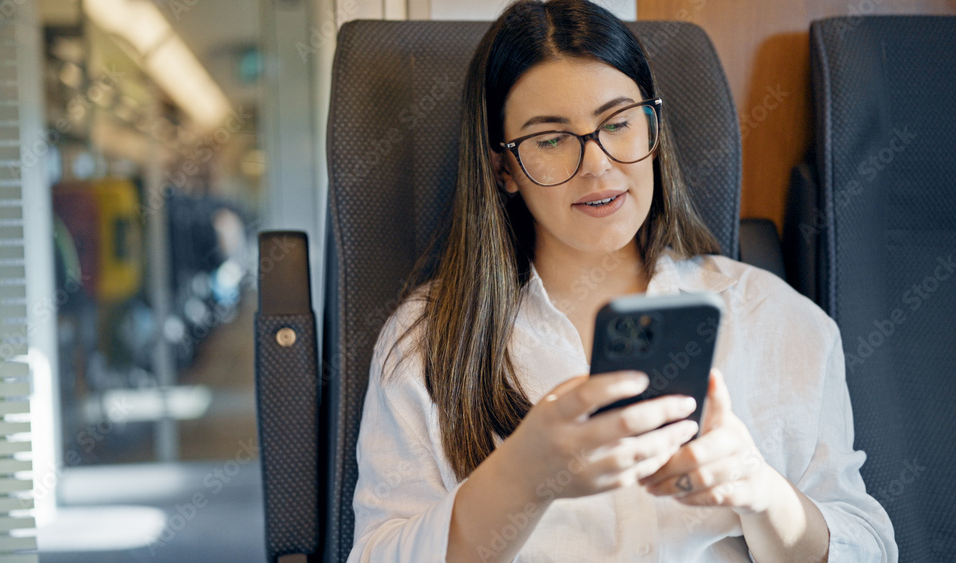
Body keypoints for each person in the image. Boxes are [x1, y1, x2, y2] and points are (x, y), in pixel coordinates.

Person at [347, 0, 897, 560]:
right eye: (551, 138)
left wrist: (762, 493)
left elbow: (868, 546)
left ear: (651, 125)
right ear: (503, 169)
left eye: (617, 123)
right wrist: (521, 477)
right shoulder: (427, 342)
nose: (598, 166)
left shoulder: (777, 320)